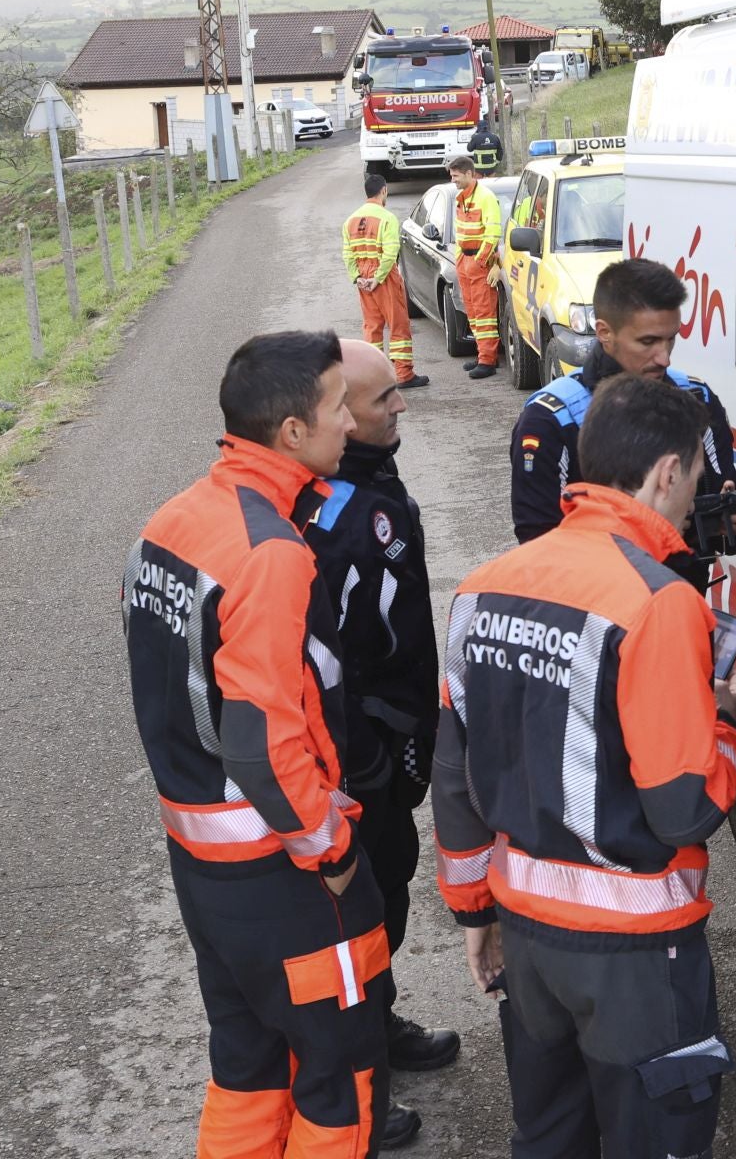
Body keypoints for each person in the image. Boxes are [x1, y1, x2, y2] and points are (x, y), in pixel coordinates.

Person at [433, 373, 736, 1157]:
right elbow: (682, 808)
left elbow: (454, 772)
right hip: (635, 950)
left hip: (527, 933)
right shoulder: (658, 601)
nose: (696, 496)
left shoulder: (483, 587)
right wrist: (724, 726)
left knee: (548, 1136)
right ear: (668, 472)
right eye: (696, 475)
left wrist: (474, 911)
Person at [123, 330, 392, 1156]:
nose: (350, 422)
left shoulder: (173, 519)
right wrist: (331, 849)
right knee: (340, 1081)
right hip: (283, 871)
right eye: (337, 407)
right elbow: (262, 746)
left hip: (204, 865)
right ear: (291, 431)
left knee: (248, 1068)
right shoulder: (271, 552)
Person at [303, 341, 459, 1147]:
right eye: (380, 400)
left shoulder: (368, 483)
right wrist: (369, 759)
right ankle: (353, 1086)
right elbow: (323, 661)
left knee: (387, 891)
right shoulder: (335, 517)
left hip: (390, 733)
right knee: (357, 908)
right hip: (361, 750)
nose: (400, 406)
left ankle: (378, 1022)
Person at [509, 258, 736, 586]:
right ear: (604, 333)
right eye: (648, 342)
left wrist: (732, 520)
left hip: (682, 600)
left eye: (671, 339)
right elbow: (540, 551)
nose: (664, 357)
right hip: (594, 605)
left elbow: (726, 529)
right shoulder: (549, 419)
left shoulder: (698, 399)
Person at [342, 173, 427, 389]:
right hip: (384, 276)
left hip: (363, 277)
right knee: (398, 324)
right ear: (384, 191)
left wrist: (358, 277)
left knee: (372, 327)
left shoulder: (350, 220)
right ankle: (404, 374)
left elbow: (348, 254)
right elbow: (390, 254)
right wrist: (378, 277)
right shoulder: (387, 218)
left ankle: (375, 378)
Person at [450, 153, 505, 379]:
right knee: (472, 313)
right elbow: (460, 233)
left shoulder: (485, 197)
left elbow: (492, 233)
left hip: (478, 262)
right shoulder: (461, 198)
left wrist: (481, 262)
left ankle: (487, 361)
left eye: (456, 176)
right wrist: (460, 260)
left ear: (469, 174)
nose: (453, 180)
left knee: (484, 314)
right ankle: (483, 354)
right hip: (465, 261)